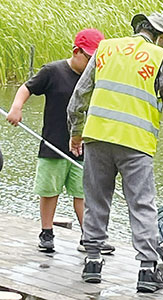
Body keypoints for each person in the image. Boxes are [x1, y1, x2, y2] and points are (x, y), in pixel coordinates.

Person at [67, 12, 163, 292]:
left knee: (96, 200)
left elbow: (78, 98)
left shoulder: (105, 48)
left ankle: (93, 263)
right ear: (161, 38)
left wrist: (76, 133)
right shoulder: (161, 57)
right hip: (136, 143)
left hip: (97, 138)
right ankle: (147, 271)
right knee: (142, 204)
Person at [6, 28, 115, 255]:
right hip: (54, 143)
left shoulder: (96, 78)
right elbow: (26, 88)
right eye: (90, 58)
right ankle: (47, 232)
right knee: (49, 190)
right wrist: (16, 107)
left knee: (83, 193)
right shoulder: (53, 71)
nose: (93, 63)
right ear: (76, 52)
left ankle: (89, 236)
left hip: (84, 146)